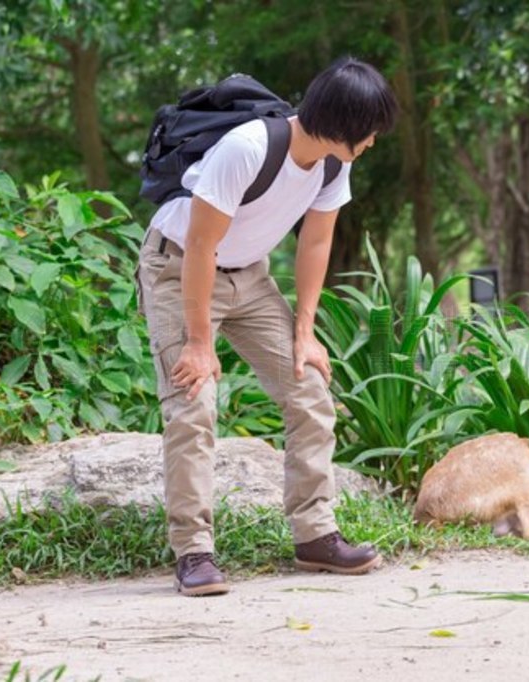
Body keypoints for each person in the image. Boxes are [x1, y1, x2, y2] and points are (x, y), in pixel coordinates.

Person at [136, 57, 399, 597]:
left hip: (249, 276)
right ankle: (193, 551)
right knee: (194, 400)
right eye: (369, 131)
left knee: (308, 388)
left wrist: (305, 331)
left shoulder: (333, 164)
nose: (372, 143)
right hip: (179, 267)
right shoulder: (249, 148)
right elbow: (202, 246)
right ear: (343, 122)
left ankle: (315, 536)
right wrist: (199, 342)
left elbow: (316, 241)